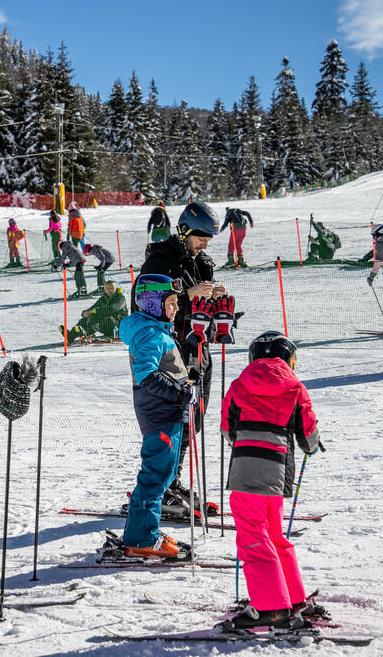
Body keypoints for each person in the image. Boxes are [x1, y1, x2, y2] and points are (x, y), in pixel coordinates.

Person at [221, 331, 322, 631]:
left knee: (253, 535)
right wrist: (313, 446)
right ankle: (292, 598)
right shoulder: (295, 387)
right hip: (277, 470)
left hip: (246, 467)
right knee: (274, 535)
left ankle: (271, 607)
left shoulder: (240, 385)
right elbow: (308, 436)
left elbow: (229, 428)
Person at [138, 202, 226, 507]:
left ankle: (171, 483)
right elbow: (147, 301)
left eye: (208, 239)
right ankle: (161, 487)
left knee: (193, 418)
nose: (204, 244)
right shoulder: (161, 260)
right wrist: (190, 294)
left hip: (198, 347)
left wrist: (215, 297)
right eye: (200, 237)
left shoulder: (203, 262)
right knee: (173, 417)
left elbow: (202, 301)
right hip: (171, 349)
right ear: (184, 230)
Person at [117, 274, 192, 559]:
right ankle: (141, 539)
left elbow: (165, 369)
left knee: (163, 473)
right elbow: (146, 374)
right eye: (170, 303)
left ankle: (145, 531)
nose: (175, 309)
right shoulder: (150, 333)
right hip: (161, 415)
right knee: (156, 476)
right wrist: (179, 393)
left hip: (167, 413)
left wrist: (185, 384)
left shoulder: (157, 330)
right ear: (152, 304)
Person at [59, 280, 128, 343]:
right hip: (108, 326)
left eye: (111, 288)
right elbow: (93, 308)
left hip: (118, 327)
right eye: (107, 289)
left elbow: (113, 309)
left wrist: (95, 311)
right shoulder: (104, 298)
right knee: (90, 315)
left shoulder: (120, 298)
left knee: (100, 317)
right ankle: (71, 335)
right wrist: (85, 313)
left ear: (115, 288)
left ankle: (86, 332)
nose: (109, 291)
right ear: (104, 289)